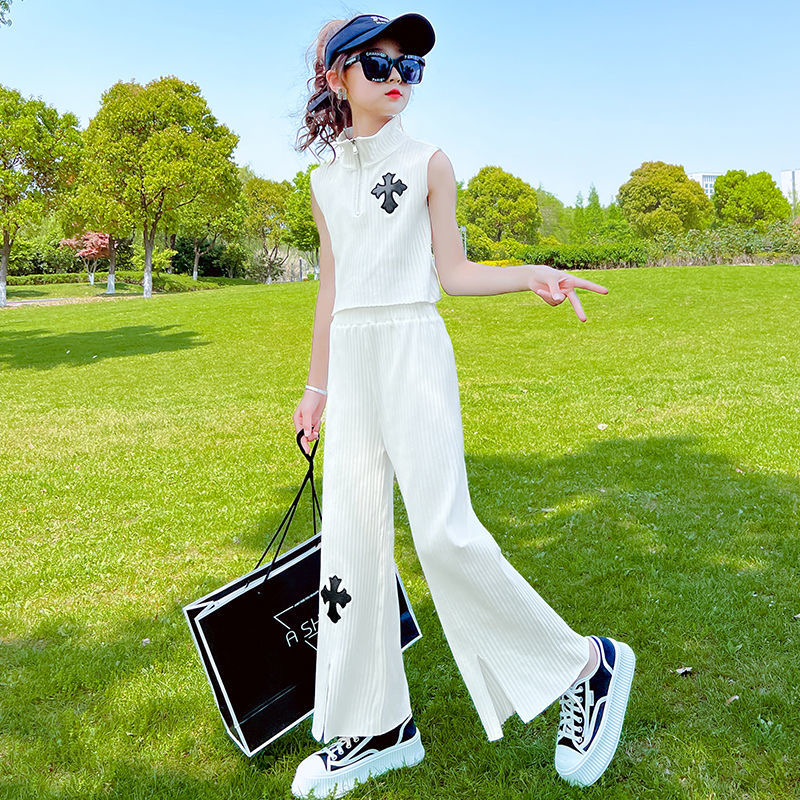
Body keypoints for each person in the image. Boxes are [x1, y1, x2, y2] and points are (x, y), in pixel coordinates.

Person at [291, 12, 635, 799]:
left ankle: (586, 665)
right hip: (352, 356)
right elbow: (330, 290)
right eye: (378, 63)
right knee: (351, 542)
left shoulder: (430, 163)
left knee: (443, 535)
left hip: (412, 350)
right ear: (337, 76)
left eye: (409, 66)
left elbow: (453, 270)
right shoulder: (321, 182)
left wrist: (529, 274)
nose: (397, 78)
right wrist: (317, 387)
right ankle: (379, 724)